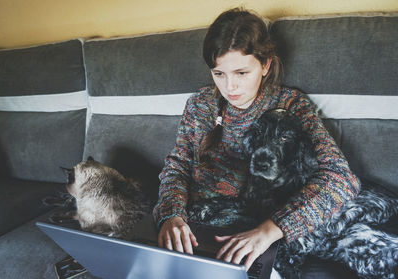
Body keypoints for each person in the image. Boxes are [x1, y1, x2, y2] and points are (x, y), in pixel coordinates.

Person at [152, 7, 360, 276]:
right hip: (196, 230)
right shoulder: (199, 105)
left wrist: (271, 229)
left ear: (265, 65)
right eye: (219, 74)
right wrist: (171, 214)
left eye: (241, 73)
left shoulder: (290, 105)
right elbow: (177, 166)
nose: (230, 88)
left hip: (254, 233)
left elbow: (341, 178)